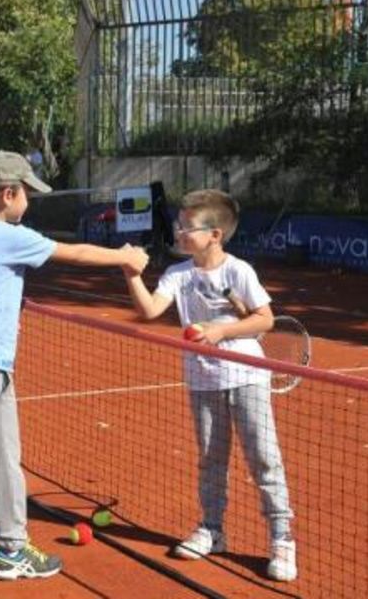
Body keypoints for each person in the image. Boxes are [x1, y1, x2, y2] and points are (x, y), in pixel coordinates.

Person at [0, 151, 148, 581]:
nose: (29, 200)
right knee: (2, 459)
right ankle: (12, 550)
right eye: (26, 192)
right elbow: (77, 253)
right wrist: (126, 258)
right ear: (8, 194)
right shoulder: (11, 236)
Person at [121, 188, 297, 582]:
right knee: (210, 459)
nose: (179, 232)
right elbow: (149, 310)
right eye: (179, 225)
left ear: (214, 234)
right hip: (203, 380)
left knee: (264, 459)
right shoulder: (177, 274)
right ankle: (212, 529)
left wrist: (220, 331)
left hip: (247, 377)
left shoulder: (239, 271)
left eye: (187, 227)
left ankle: (281, 537)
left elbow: (265, 319)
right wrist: (131, 274)